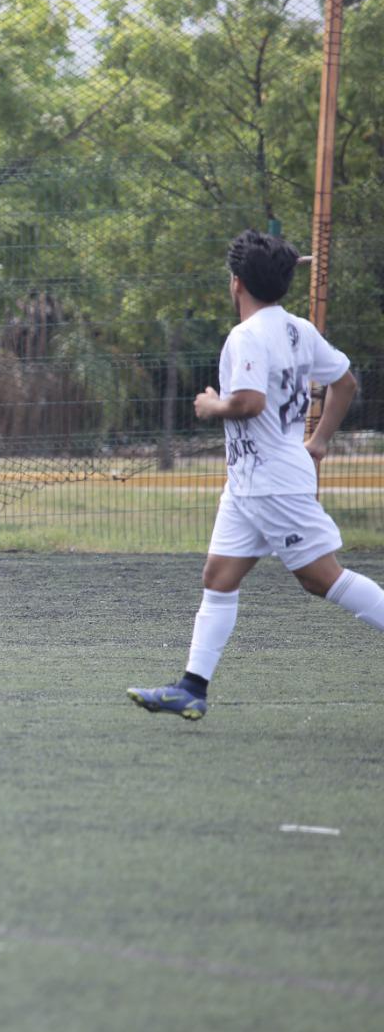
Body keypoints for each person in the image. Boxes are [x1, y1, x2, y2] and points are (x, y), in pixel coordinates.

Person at [127, 229, 383, 720]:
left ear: (236, 283)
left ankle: (192, 686)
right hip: (250, 483)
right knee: (219, 577)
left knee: (322, 579)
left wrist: (211, 405)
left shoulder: (245, 336)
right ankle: (191, 687)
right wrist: (319, 441)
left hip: (272, 484)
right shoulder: (297, 330)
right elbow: (345, 383)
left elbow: (249, 403)